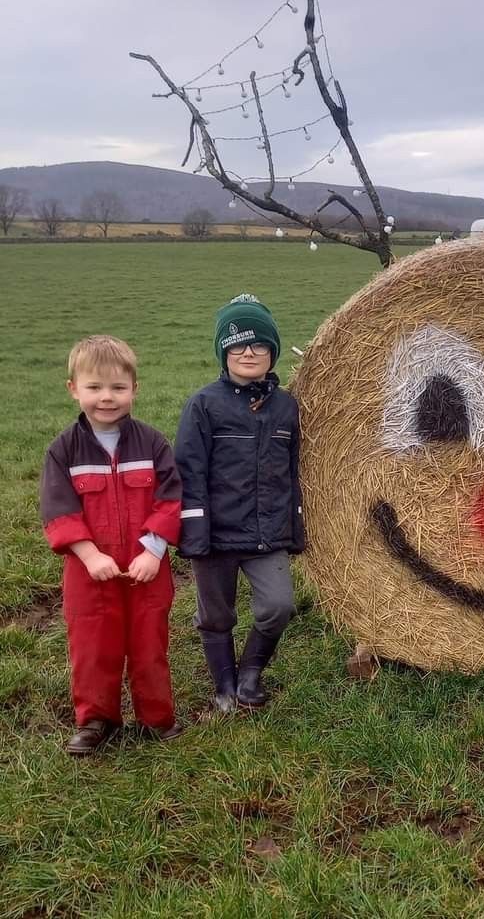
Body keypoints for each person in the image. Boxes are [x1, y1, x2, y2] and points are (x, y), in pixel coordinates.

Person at [40, 335, 183, 755]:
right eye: (95, 387)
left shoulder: (153, 444)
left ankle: (157, 717)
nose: (107, 398)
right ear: (73, 389)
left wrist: (153, 551)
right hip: (89, 573)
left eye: (118, 388)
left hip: (146, 570)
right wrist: (88, 554)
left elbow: (171, 498)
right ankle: (96, 720)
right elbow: (57, 508)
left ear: (134, 390)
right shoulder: (62, 450)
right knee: (92, 646)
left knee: (149, 644)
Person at [174, 293, 305, 712]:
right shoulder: (204, 404)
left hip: (268, 532)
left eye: (259, 344)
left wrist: (294, 526)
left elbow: (295, 470)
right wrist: (194, 532)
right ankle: (224, 686)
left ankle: (250, 673)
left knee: (279, 606)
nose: (249, 352)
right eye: (238, 343)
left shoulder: (286, 407)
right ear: (223, 351)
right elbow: (188, 472)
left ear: (272, 351)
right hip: (214, 533)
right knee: (216, 615)